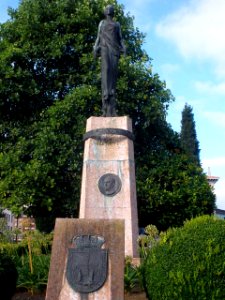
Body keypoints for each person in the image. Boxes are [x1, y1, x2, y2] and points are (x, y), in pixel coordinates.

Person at [93, 5, 126, 117]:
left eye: (109, 9)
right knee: (106, 71)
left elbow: (120, 38)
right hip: (104, 48)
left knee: (113, 76)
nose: (108, 10)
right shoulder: (102, 23)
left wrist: (124, 48)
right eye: (107, 9)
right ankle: (105, 106)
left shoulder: (117, 25)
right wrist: (95, 47)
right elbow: (98, 36)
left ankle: (112, 109)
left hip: (114, 50)